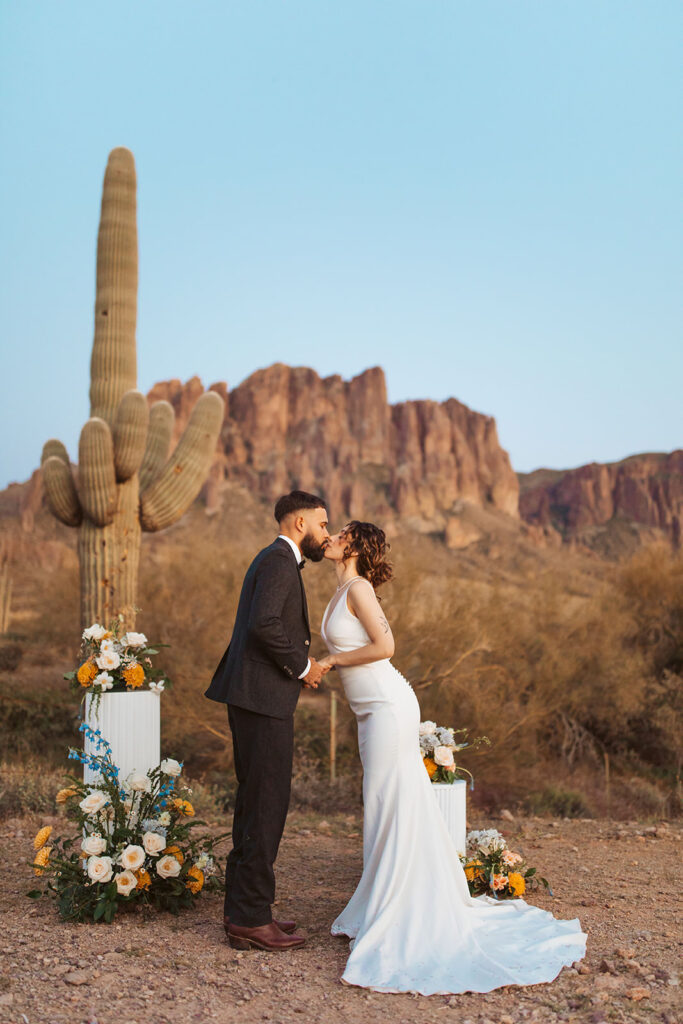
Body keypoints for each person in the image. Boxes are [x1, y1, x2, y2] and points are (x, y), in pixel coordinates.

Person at [317, 520, 588, 994]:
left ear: (355, 547)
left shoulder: (359, 587)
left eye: (340, 533)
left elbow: (387, 646)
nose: (332, 536)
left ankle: (398, 909)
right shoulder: (341, 590)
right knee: (383, 801)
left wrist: (331, 661)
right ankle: (382, 903)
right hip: (369, 709)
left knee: (387, 799)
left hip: (387, 705)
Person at [205, 490, 331, 952]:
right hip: (262, 699)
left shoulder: (273, 558)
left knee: (253, 801)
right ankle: (251, 919)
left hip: (253, 696)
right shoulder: (279, 561)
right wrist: (303, 667)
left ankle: (242, 909)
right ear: (299, 523)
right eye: (322, 524)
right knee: (266, 803)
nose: (326, 533)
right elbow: (265, 626)